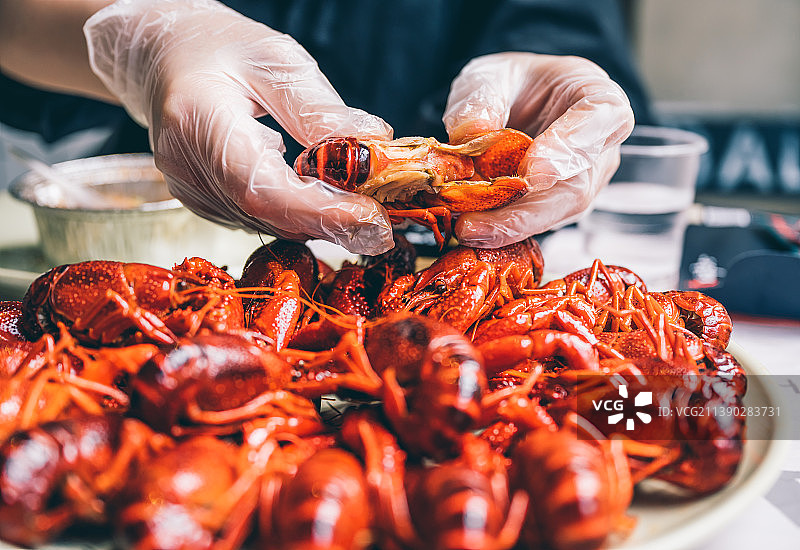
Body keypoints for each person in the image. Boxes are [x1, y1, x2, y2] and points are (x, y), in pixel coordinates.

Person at [0, 0, 645, 255]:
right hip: (167, 230)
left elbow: (569, 20)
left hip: (450, 249)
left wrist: (556, 71)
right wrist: (142, 35)